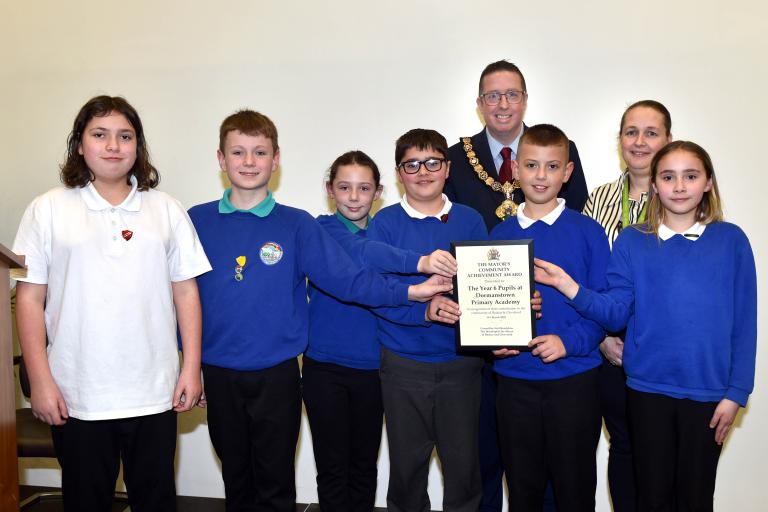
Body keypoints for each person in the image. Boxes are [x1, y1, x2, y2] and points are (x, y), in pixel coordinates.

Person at [188, 111, 451, 512]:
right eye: (238, 152)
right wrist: (190, 365)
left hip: (278, 372)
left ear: (276, 159)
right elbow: (183, 296)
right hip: (218, 370)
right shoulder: (196, 220)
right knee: (235, 475)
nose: (249, 161)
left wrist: (412, 292)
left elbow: (350, 280)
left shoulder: (296, 224)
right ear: (221, 159)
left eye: (260, 152)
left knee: (277, 480)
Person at [13, 95, 212, 512]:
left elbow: (186, 292)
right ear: (79, 144)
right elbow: (30, 300)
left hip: (153, 390)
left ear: (138, 146)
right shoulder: (47, 209)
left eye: (125, 136)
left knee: (155, 501)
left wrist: (191, 367)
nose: (113, 146)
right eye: (100, 134)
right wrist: (41, 382)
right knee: (86, 502)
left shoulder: (166, 209)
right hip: (78, 392)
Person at [535, 140, 757, 511]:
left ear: (708, 182)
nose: (679, 186)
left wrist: (737, 392)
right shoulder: (632, 241)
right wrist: (570, 287)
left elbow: (745, 323)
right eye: (668, 177)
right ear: (654, 184)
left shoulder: (731, 241)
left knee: (696, 498)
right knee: (650, 497)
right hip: (646, 391)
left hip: (708, 394)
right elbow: (615, 313)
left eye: (690, 176)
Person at [444, 61, 590, 511]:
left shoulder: (561, 151)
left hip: (560, 345)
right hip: (493, 341)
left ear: (525, 99)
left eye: (512, 94)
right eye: (493, 95)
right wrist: (485, 324)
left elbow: (575, 221)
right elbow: (454, 236)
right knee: (496, 453)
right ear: (479, 103)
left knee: (562, 472)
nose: (502, 103)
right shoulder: (456, 157)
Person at [304, 150, 457, 512]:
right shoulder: (321, 230)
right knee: (332, 466)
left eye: (364, 188)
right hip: (324, 367)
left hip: (374, 367)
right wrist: (420, 264)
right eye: (344, 187)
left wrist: (425, 312)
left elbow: (391, 300)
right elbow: (362, 253)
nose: (354, 197)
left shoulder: (384, 233)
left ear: (378, 192)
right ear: (330, 190)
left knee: (364, 465)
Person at [366, 129, 488, 512]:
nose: (423, 172)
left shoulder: (470, 220)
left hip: (461, 364)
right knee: (407, 470)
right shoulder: (384, 223)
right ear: (399, 173)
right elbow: (377, 293)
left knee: (464, 470)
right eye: (412, 164)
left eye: (433, 162)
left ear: (447, 168)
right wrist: (423, 311)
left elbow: (486, 286)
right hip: (403, 365)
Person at [489, 124, 609, 511]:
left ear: (567, 172)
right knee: (523, 489)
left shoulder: (589, 232)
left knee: (574, 489)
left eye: (552, 166)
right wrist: (493, 341)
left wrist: (567, 342)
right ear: (515, 170)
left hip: (575, 380)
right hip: (514, 382)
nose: (541, 176)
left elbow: (603, 308)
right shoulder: (498, 236)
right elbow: (486, 307)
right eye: (531, 165)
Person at [582, 99, 672, 512]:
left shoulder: (680, 199)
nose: (639, 141)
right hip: (610, 346)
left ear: (667, 139)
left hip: (661, 346)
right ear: (619, 139)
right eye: (631, 132)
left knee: (663, 448)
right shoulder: (598, 198)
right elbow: (582, 275)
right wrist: (602, 338)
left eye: (651, 133)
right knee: (623, 444)